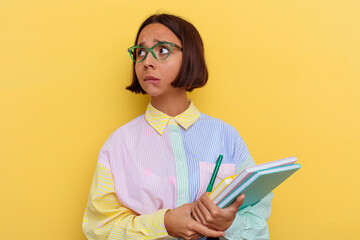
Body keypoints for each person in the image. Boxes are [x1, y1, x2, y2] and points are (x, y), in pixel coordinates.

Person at [82, 13, 273, 240]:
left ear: (190, 57)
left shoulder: (226, 136)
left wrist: (229, 223)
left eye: (162, 50)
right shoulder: (117, 145)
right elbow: (97, 228)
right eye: (140, 52)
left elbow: (258, 222)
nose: (147, 61)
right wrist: (162, 224)